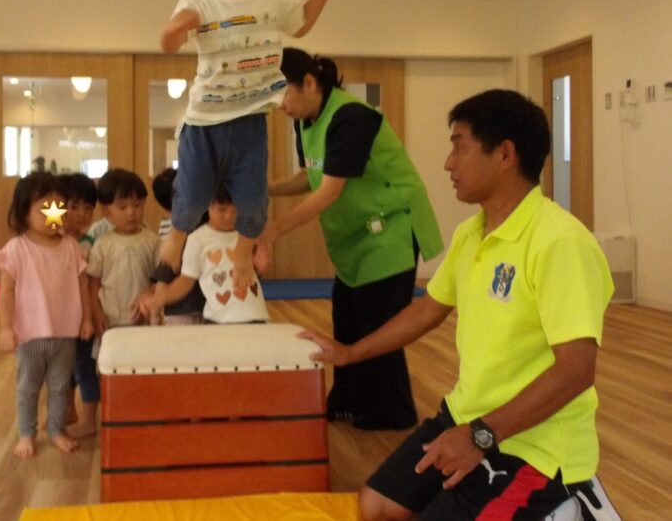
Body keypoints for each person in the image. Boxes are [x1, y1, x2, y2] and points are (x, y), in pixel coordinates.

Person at [299, 89, 614, 520]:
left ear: (505, 155)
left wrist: (481, 436)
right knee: (376, 506)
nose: (449, 163)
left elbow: (576, 372)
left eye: (459, 147)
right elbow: (427, 309)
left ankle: (569, 506)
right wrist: (350, 353)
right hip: (466, 417)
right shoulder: (471, 233)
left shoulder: (560, 242)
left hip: (535, 447)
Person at [157, 0, 342, 299]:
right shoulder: (197, 4)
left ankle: (244, 251)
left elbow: (301, 24)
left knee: (254, 200)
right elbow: (172, 40)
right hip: (204, 123)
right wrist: (173, 31)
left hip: (250, 121)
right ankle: (177, 236)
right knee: (193, 192)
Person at [259, 48, 443, 430]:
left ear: (309, 82)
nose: (281, 105)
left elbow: (330, 190)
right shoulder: (306, 121)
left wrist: (273, 231)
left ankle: (393, 411)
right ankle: (348, 400)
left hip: (391, 227)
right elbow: (311, 176)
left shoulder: (351, 116)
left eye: (283, 93)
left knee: (379, 323)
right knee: (346, 318)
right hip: (359, 235)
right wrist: (265, 189)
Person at [0, 172, 93, 458]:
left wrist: (86, 319)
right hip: (31, 335)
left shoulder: (71, 247)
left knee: (61, 387)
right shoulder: (17, 248)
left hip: (65, 333)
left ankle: (56, 429)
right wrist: (6, 327)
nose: (54, 215)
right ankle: (26, 433)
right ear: (23, 212)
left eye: (59, 208)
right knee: (28, 387)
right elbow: (6, 291)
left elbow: (82, 285)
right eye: (45, 209)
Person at [80, 168, 159, 435]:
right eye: (122, 206)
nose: (131, 212)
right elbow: (93, 283)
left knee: (142, 368)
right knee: (109, 369)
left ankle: (140, 414)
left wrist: (151, 299)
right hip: (111, 321)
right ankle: (114, 417)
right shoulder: (103, 244)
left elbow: (158, 279)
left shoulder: (152, 240)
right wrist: (96, 314)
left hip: (142, 322)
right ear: (106, 211)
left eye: (137, 205)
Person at [137, 183, 269, 325]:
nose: (229, 216)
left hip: (255, 314)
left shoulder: (246, 235)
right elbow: (185, 281)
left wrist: (258, 268)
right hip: (219, 319)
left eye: (235, 210)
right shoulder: (197, 239)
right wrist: (160, 298)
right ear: (208, 205)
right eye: (222, 210)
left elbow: (245, 274)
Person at [56, 172, 98, 432]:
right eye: (74, 207)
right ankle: (68, 410)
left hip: (83, 318)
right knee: (63, 368)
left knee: (85, 367)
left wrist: (90, 318)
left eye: (88, 207)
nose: (82, 214)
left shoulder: (90, 245)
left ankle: (89, 419)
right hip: (59, 319)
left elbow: (92, 285)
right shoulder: (51, 242)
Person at [150, 166, 206, 325]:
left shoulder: (170, 227)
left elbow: (165, 266)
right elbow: (166, 266)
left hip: (199, 303)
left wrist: (156, 305)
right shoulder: (183, 231)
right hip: (185, 305)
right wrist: (157, 303)